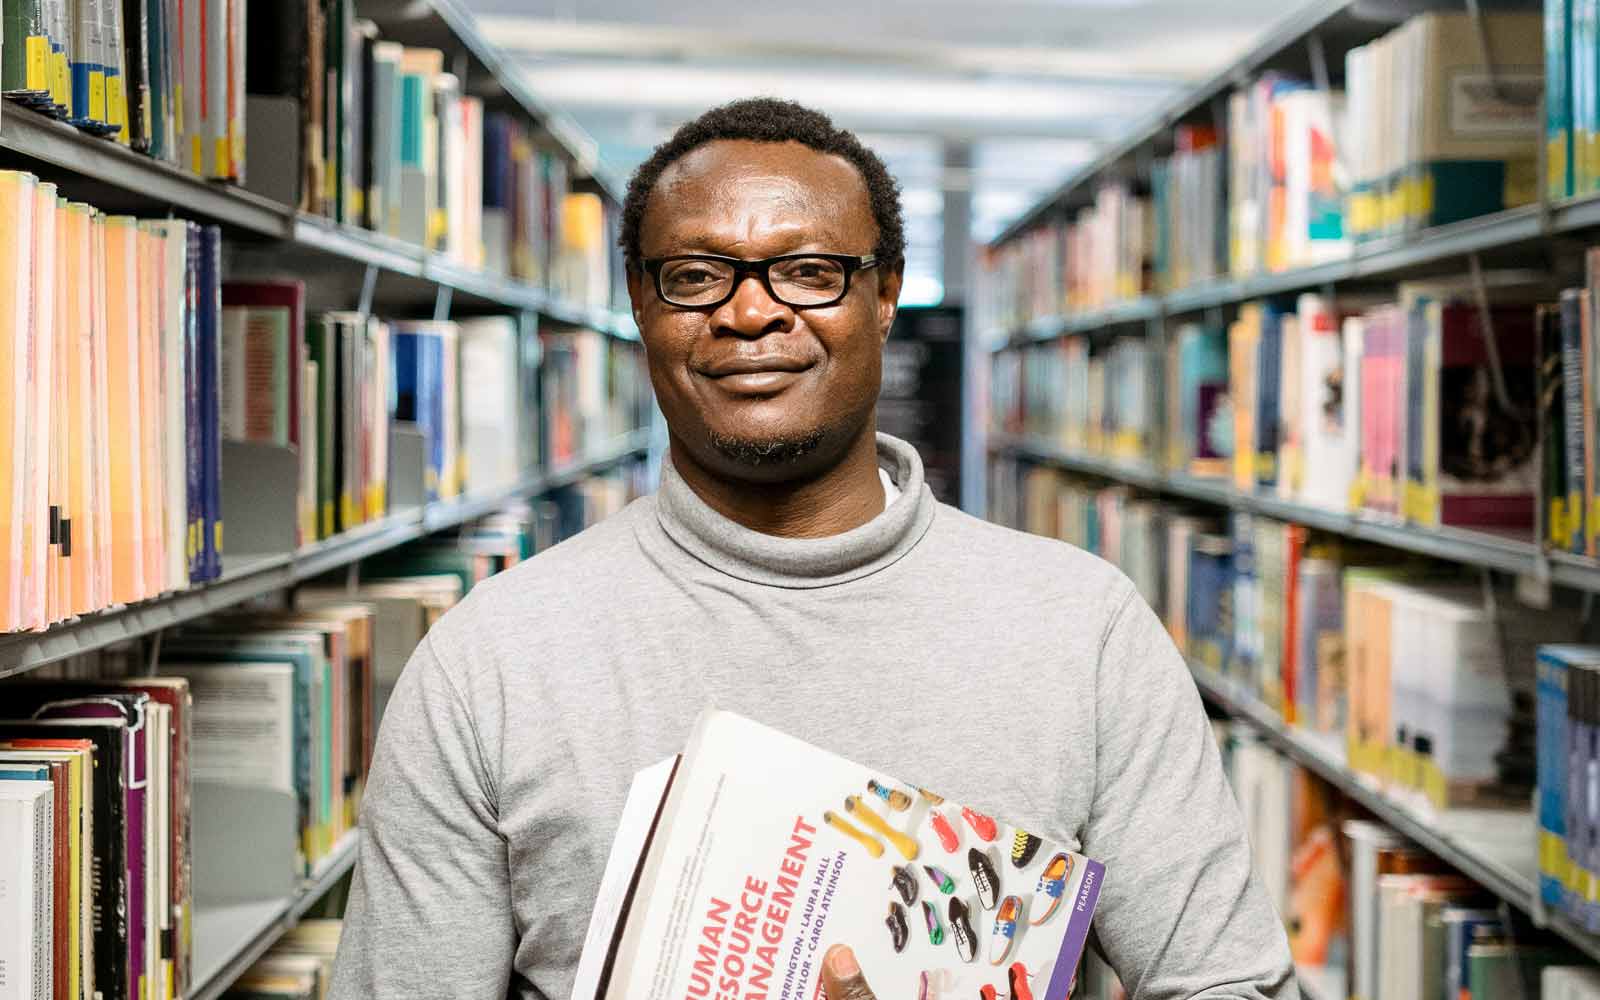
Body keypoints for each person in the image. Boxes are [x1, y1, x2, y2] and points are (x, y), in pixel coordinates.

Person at [329, 97, 1296, 1000]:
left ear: (886, 298)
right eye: (697, 274)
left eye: (809, 271)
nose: (751, 313)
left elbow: (1232, 984)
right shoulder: (489, 663)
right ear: (639, 302)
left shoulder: (1082, 629)